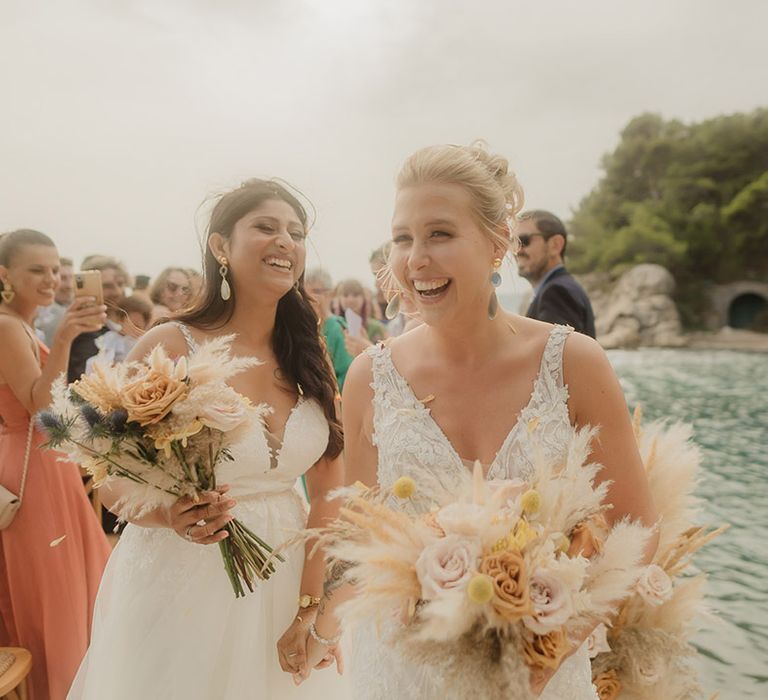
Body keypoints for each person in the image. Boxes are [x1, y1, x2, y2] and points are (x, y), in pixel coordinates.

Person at [303, 143, 658, 698]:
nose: (414, 258)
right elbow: (363, 539)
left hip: (541, 670)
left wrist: (550, 647)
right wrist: (316, 624)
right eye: (403, 238)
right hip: (400, 668)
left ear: (496, 242)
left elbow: (638, 530)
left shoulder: (574, 362)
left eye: (439, 234)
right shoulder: (370, 376)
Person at [68, 179, 350, 699]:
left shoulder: (309, 352)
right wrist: (166, 516)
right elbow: (107, 475)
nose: (285, 240)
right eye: (265, 227)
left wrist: (313, 604)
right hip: (184, 575)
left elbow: (330, 483)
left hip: (289, 568)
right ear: (221, 246)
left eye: (296, 231)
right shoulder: (168, 344)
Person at [0, 230, 111, 700]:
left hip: (48, 461)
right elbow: (38, 403)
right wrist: (66, 335)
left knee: (64, 592)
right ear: (5, 275)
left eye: (56, 269)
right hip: (31, 469)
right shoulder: (5, 325)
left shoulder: (22, 324)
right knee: (53, 598)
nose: (51, 279)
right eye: (36, 270)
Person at [516, 210, 596, 338]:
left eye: (524, 240)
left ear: (555, 245)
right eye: (513, 242)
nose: (517, 250)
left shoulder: (557, 293)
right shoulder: (562, 287)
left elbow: (559, 356)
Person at [67, 256, 130, 382]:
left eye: (121, 284)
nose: (117, 291)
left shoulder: (131, 322)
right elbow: (84, 380)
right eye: (107, 286)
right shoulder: (83, 329)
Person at [305, 268, 353, 391]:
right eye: (305, 292)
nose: (309, 297)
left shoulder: (338, 328)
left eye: (315, 291)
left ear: (330, 294)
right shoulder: (307, 326)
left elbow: (346, 375)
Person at [84, 295, 152, 373]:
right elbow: (104, 358)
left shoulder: (142, 342)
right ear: (120, 320)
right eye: (132, 324)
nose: (134, 329)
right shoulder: (111, 338)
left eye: (138, 327)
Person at [334, 278, 387, 358]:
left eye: (355, 295)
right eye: (345, 295)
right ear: (339, 298)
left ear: (363, 298)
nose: (350, 299)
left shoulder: (377, 328)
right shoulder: (334, 327)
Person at [35, 256, 74, 346]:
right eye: (63, 278)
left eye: (72, 278)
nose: (69, 285)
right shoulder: (37, 311)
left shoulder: (82, 309)